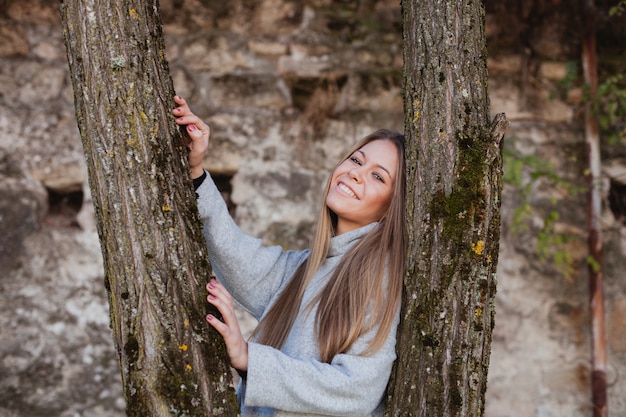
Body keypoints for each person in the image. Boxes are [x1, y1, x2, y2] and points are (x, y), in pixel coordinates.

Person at [173, 95, 407, 416]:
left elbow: (358, 389)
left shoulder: (380, 280)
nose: (356, 174)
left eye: (378, 176)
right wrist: (195, 170)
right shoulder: (306, 268)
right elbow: (240, 259)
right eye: (356, 161)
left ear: (392, 207)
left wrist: (248, 358)